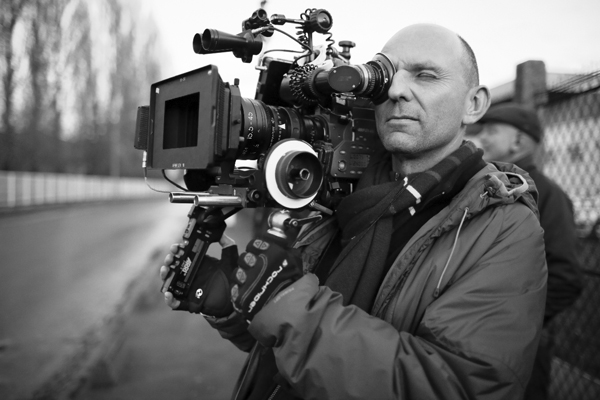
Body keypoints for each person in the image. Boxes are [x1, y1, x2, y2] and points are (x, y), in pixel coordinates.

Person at [161, 24, 548, 400]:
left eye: (426, 76)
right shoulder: (340, 200)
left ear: (474, 103)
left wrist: (288, 304)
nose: (396, 90)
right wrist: (233, 305)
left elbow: (458, 387)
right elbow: (289, 353)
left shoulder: (504, 227)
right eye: (385, 74)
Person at [473, 102, 583, 400]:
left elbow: (566, 276)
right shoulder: (488, 186)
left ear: (518, 142)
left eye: (491, 131)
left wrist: (514, 322)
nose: (481, 138)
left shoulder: (549, 196)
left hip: (521, 349)